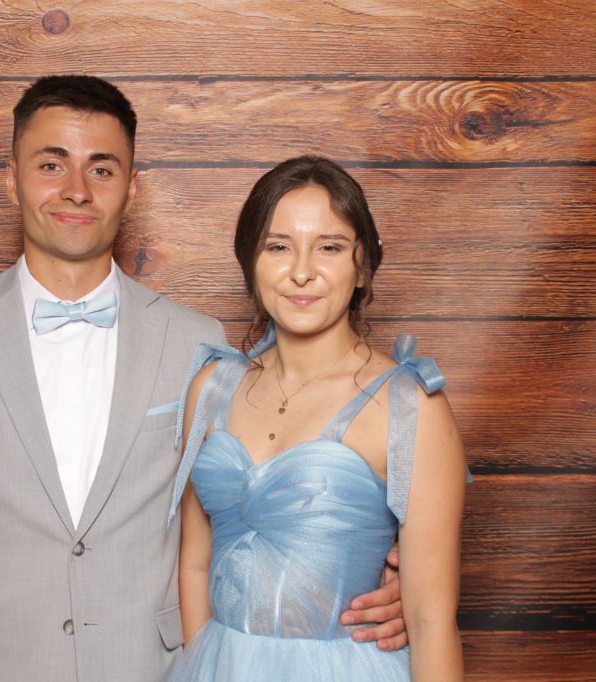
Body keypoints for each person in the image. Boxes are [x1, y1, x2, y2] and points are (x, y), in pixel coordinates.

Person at [0, 77, 408, 682]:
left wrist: (385, 572)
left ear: (132, 187)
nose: (76, 189)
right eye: (51, 164)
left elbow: (264, 501)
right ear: (12, 178)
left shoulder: (196, 344)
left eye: (101, 169)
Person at [170, 156, 467, 681]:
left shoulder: (407, 405)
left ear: (363, 266)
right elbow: (195, 564)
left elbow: (430, 622)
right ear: (250, 261)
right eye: (278, 247)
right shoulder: (211, 388)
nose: (302, 271)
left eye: (328, 247)